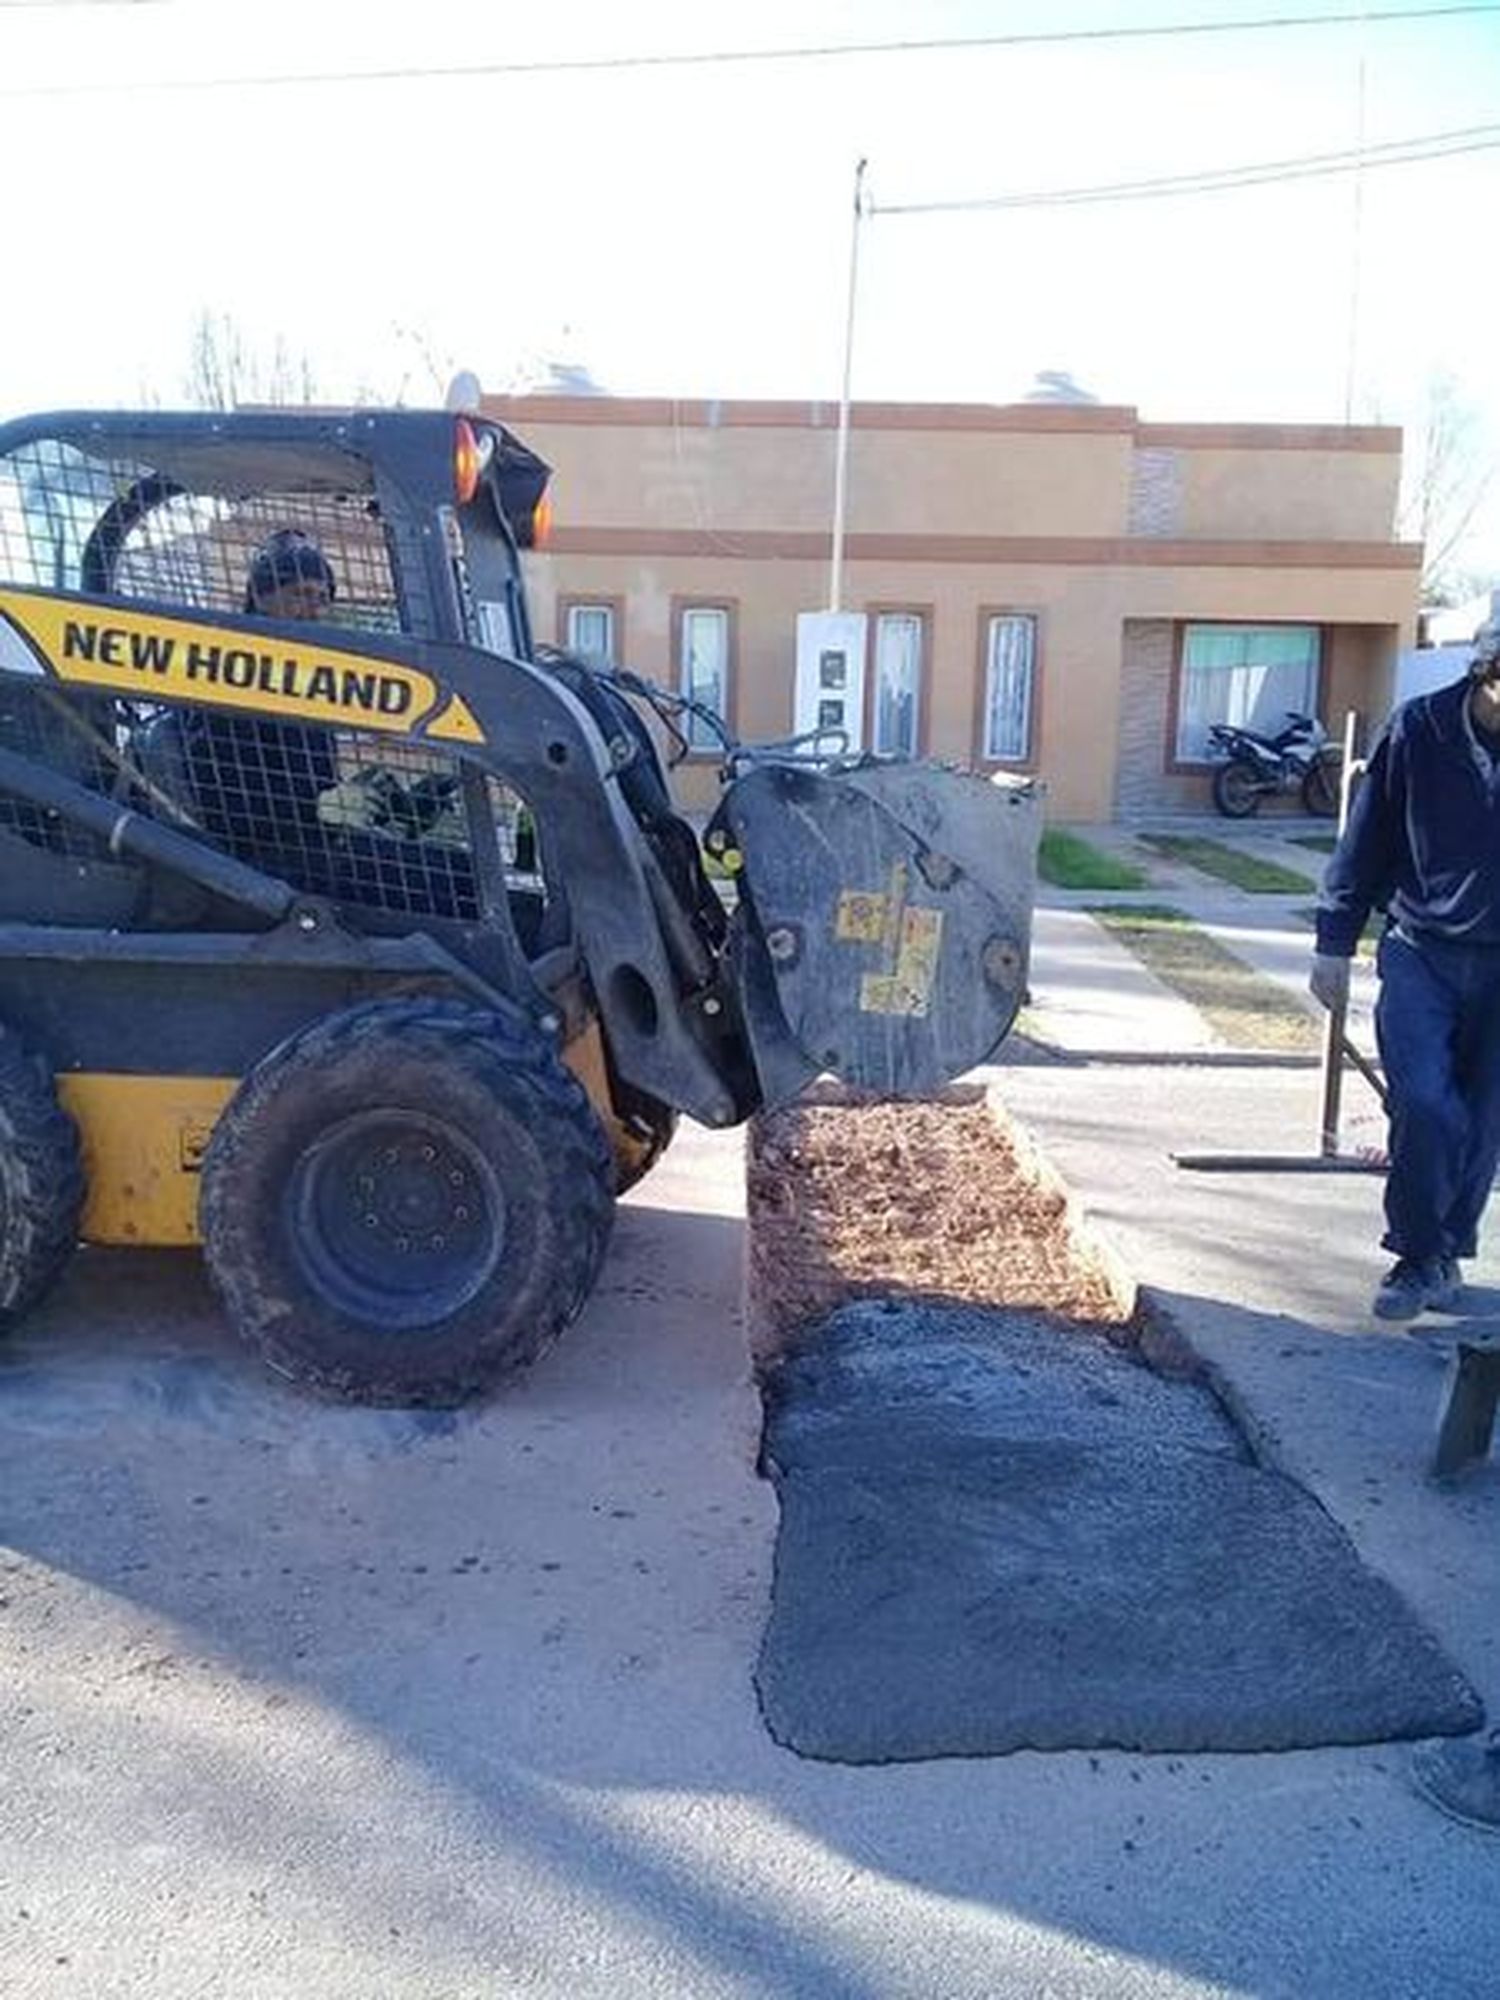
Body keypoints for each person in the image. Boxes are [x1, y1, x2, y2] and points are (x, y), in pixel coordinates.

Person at [1311, 614, 1500, 1320]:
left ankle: (1446, 1251)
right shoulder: (1420, 730)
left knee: (1482, 1118)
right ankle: (1417, 1254)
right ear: (1490, 668)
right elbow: (1365, 841)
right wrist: (1334, 942)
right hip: (1422, 948)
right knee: (1425, 1102)